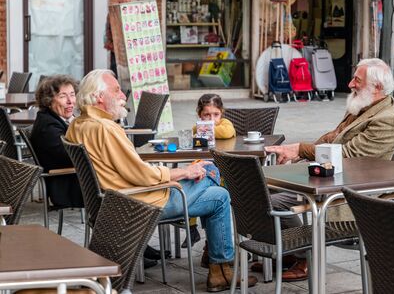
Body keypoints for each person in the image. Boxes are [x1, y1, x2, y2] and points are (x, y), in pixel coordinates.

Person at [66, 69, 257, 292]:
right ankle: (220, 268)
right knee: (214, 174)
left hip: (112, 201)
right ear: (99, 97)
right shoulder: (105, 128)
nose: (122, 96)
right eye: (116, 90)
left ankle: (220, 268)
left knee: (219, 195)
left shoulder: (77, 125)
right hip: (139, 202)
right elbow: (141, 175)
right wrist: (185, 172)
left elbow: (132, 171)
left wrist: (184, 171)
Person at [263, 58, 394, 281]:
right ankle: (288, 252)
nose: (350, 84)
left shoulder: (387, 119)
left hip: (349, 191)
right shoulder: (363, 106)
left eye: (357, 80)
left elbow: (348, 154)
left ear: (376, 87)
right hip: (329, 179)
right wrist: (298, 152)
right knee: (261, 188)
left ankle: (302, 255)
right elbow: (333, 137)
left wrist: (301, 149)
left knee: (269, 202)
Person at [185, 94, 236, 261]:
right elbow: (194, 131)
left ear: (222, 113)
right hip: (205, 174)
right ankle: (193, 229)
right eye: (207, 115)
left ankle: (210, 244)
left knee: (211, 192)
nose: (212, 119)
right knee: (196, 186)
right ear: (200, 114)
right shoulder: (196, 127)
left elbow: (228, 132)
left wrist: (206, 128)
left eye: (216, 114)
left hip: (227, 176)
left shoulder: (226, 124)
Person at [30, 75, 84, 209]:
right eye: (63, 96)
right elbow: (72, 156)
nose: (70, 101)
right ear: (48, 101)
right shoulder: (48, 126)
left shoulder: (60, 119)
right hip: (68, 186)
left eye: (72, 95)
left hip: (76, 179)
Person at [104, 0, 133, 76]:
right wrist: (114, 48)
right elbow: (108, 33)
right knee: (116, 74)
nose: (127, 0)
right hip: (117, 51)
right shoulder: (113, 14)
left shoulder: (134, 13)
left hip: (131, 51)